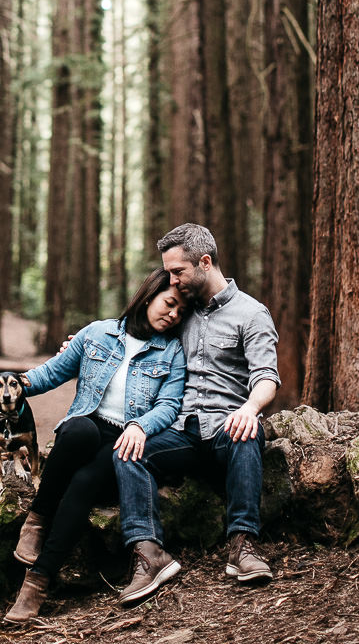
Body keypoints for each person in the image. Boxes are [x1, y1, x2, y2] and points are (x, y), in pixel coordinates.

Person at [0, 268, 188, 624]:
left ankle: (36, 582)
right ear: (148, 295)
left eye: (181, 311)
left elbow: (169, 404)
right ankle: (37, 519)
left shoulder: (172, 351)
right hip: (87, 427)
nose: (174, 314)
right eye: (170, 303)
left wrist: (140, 425)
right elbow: (49, 373)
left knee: (84, 484)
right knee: (77, 431)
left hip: (123, 439)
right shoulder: (97, 333)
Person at [113, 222, 280, 604]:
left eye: (177, 271)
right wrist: (88, 342)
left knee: (248, 431)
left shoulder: (252, 313)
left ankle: (243, 546)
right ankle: (149, 553)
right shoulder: (181, 311)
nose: (171, 280)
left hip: (227, 429)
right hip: (182, 431)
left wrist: (250, 408)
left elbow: (267, 377)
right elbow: (138, 330)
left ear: (205, 262)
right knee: (127, 448)